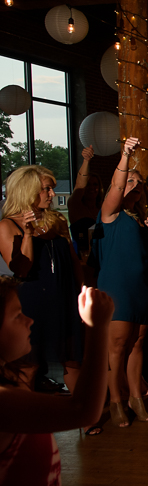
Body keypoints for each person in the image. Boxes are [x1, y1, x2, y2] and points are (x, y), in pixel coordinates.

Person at [0, 282, 114, 486]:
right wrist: (97, 328)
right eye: (17, 315)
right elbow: (83, 411)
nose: (29, 320)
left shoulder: (11, 384)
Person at [91, 137, 148, 428]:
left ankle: (136, 397)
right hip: (116, 287)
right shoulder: (110, 213)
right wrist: (126, 157)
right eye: (127, 181)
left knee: (138, 344)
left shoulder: (140, 218)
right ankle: (116, 400)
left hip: (141, 288)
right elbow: (118, 187)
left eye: (137, 181)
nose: (132, 184)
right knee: (116, 347)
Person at [0, 166, 84, 403]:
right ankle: (26, 424)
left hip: (64, 298)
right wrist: (27, 235)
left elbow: (73, 260)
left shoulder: (57, 220)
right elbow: (22, 269)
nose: (51, 194)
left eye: (51, 189)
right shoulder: (7, 226)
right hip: (32, 302)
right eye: (45, 189)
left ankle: (83, 416)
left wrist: (81, 291)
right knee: (30, 366)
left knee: (73, 360)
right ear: (27, 191)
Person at [67, 145, 103, 260]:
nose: (91, 188)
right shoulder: (76, 206)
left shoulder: (102, 208)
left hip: (102, 255)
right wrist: (86, 160)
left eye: (95, 184)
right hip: (81, 257)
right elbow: (79, 186)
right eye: (88, 184)